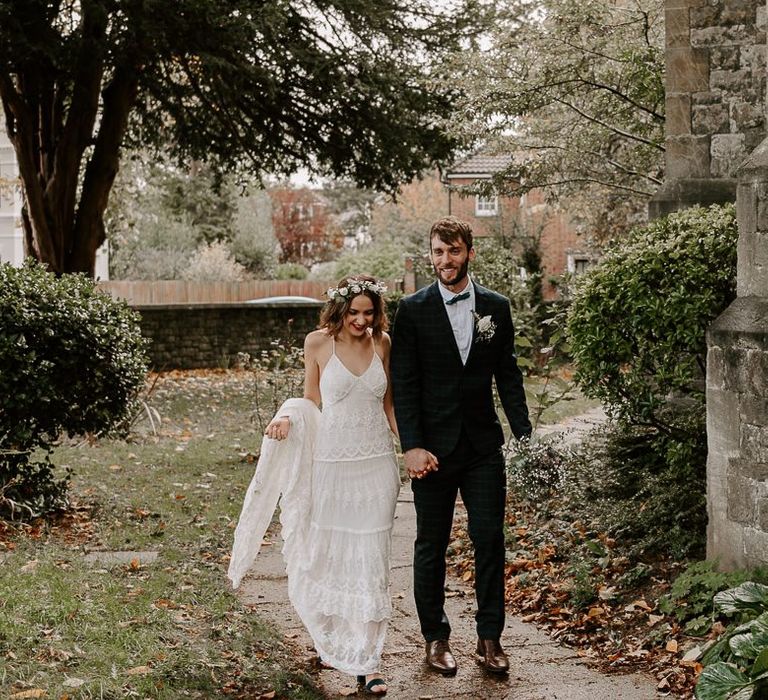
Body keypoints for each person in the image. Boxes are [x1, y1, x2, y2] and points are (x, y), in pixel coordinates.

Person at [228, 275, 399, 697]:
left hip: (377, 465)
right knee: (332, 558)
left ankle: (368, 661)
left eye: (369, 312)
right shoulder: (317, 343)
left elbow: (388, 404)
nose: (362, 321)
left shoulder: (383, 344)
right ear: (339, 310)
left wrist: (412, 447)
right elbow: (311, 400)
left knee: (371, 559)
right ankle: (333, 638)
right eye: (354, 313)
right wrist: (287, 416)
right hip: (333, 465)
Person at [391, 216, 531, 677]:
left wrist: (525, 433)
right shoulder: (412, 310)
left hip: (482, 446)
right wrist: (411, 446)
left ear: (469, 252)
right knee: (431, 544)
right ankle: (436, 638)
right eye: (437, 252)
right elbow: (405, 384)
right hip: (431, 451)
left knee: (489, 539)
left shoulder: (496, 306)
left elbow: (507, 373)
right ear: (429, 254)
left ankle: (490, 640)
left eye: (452, 251)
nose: (444, 260)